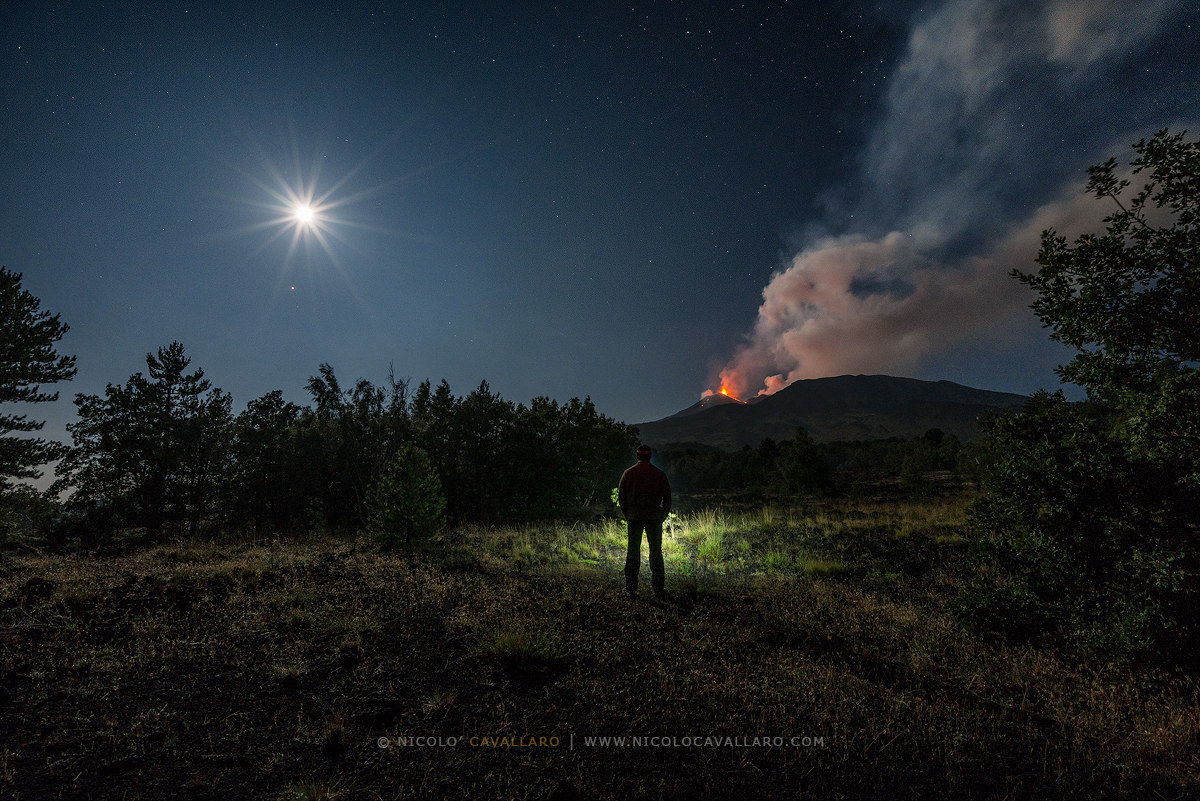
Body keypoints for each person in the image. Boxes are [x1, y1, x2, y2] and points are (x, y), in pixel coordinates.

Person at [618, 444, 672, 598]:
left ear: (637, 456)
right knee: (656, 552)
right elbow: (667, 498)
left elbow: (622, 498)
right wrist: (662, 515)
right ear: (650, 456)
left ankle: (630, 588)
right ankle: (658, 589)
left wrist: (627, 514)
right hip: (654, 517)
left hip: (634, 517)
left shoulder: (628, 474)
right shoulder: (659, 474)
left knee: (633, 552)